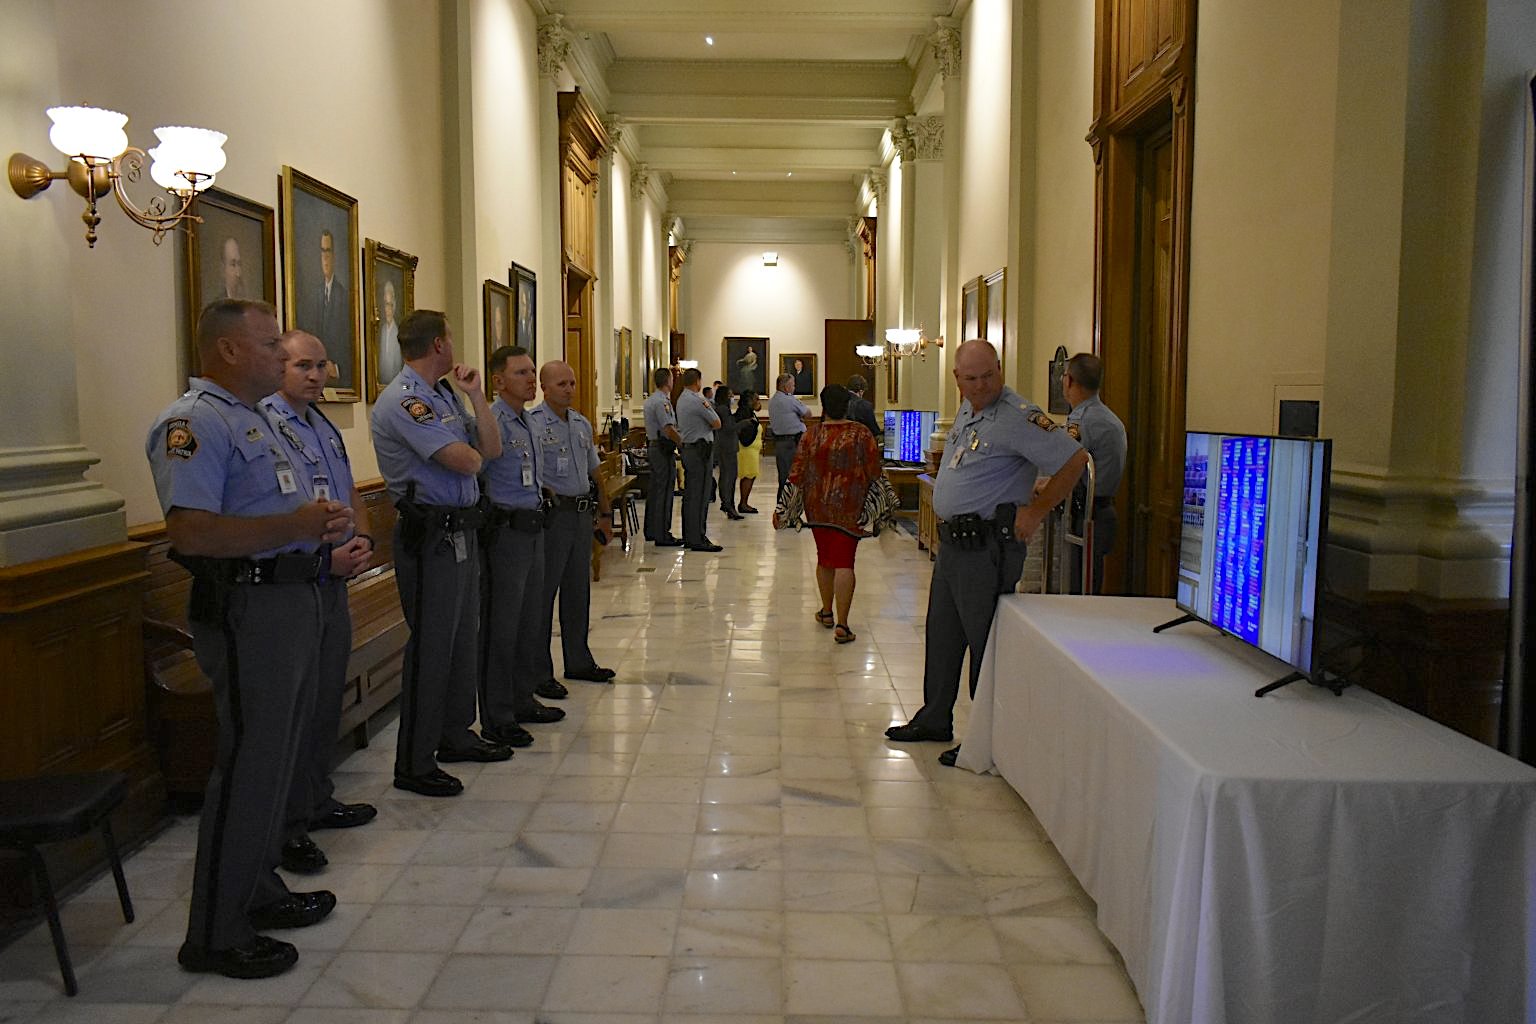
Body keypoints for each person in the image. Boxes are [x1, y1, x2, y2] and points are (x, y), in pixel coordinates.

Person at [147, 299, 349, 980]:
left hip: (292, 597)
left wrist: (315, 526)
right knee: (248, 763)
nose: (282, 358)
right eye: (270, 346)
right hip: (246, 607)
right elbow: (192, 530)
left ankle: (257, 890)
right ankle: (215, 932)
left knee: (278, 756)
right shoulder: (194, 424)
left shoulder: (257, 420)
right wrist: (293, 525)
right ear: (230, 351)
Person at [885, 340, 1088, 766]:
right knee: (942, 636)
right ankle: (934, 717)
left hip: (986, 548)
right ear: (957, 379)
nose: (981, 386)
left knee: (986, 645)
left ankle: (987, 738)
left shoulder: (1018, 416)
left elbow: (1074, 460)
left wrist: (1036, 511)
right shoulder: (968, 409)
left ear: (1000, 369)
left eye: (988, 376)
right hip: (953, 545)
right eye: (971, 379)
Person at [371, 309, 511, 799]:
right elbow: (466, 459)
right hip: (428, 537)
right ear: (438, 346)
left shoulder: (445, 395)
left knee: (461, 641)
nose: (455, 346)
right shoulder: (405, 402)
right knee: (432, 648)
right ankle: (415, 760)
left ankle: (455, 733)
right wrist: (468, 447)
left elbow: (491, 448)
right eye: (451, 337)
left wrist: (475, 395)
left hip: (461, 533)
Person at [258, 330, 379, 880]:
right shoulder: (265, 424)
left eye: (321, 365)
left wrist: (364, 540)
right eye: (302, 365)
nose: (315, 375)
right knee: (294, 709)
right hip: (292, 581)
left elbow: (348, 488)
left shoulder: (322, 423)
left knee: (326, 693)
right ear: (277, 367)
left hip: (331, 578)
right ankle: (285, 825)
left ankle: (315, 798)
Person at [478, 345, 560, 749]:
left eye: (532, 372)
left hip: (533, 527)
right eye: (521, 373)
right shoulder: (492, 421)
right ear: (497, 380)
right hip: (506, 533)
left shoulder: (525, 421)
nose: (530, 380)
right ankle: (498, 714)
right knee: (503, 625)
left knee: (531, 619)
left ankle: (523, 697)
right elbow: (481, 477)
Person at [775, 383, 884, 644]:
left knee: (825, 558)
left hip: (818, 506)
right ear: (847, 405)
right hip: (850, 505)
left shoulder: (812, 435)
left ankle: (826, 612)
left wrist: (782, 507)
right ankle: (843, 625)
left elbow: (796, 472)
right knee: (845, 560)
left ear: (824, 406)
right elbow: (874, 470)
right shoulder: (861, 434)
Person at [530, 360, 617, 688]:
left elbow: (594, 471)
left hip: (581, 513)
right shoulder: (535, 424)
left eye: (572, 383)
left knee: (578, 591)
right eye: (561, 384)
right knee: (545, 593)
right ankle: (540, 671)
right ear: (545, 388)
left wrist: (605, 512)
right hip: (554, 517)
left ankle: (579, 660)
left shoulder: (581, 424)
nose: (569, 389)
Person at [1060, 353, 1127, 594]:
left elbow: (1065, 463)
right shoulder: (1110, 418)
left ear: (1069, 381)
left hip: (1086, 515)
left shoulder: (1081, 419)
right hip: (1103, 511)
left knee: (1080, 589)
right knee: (1091, 585)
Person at [298, 229, 352, 388]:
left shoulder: (345, 296)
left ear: (334, 255)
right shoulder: (314, 295)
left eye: (328, 251)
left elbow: (349, 344)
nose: (326, 258)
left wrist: (336, 368)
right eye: (322, 252)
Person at [676, 367, 722, 551]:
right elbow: (717, 422)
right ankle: (698, 538)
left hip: (689, 449)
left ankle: (690, 535)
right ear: (698, 382)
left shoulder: (681, 399)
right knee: (700, 495)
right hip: (699, 451)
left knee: (690, 495)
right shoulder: (697, 400)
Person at [643, 366, 684, 545]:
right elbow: (668, 428)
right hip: (661, 448)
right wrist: (682, 443)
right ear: (668, 381)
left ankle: (652, 529)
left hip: (654, 446)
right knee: (664, 491)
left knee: (655, 491)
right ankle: (662, 533)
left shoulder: (651, 400)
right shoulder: (662, 402)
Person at [769, 371, 810, 502]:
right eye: (792, 385)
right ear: (786, 387)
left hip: (780, 443)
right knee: (794, 477)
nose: (794, 388)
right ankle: (790, 506)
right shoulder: (789, 400)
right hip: (792, 443)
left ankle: (782, 506)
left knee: (783, 477)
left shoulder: (773, 400)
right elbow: (808, 413)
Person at [714, 384, 747, 520]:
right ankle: (728, 504)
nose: (732, 398)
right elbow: (729, 427)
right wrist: (744, 423)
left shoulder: (721, 409)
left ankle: (726, 502)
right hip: (727, 447)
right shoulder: (723, 409)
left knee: (725, 475)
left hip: (723, 446)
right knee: (730, 476)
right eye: (730, 395)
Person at [735, 390, 762, 513]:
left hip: (752, 450)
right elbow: (745, 434)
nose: (758, 402)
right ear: (750, 401)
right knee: (748, 476)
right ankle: (743, 503)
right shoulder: (745, 413)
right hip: (747, 450)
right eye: (756, 399)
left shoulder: (750, 412)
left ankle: (744, 502)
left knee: (750, 476)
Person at [376, 279, 402, 387]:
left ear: (394, 306)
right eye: (386, 304)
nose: (388, 309)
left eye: (390, 305)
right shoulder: (381, 330)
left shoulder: (398, 333)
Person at [845, 374, 881, 439]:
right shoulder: (865, 405)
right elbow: (874, 431)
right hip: (859, 443)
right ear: (861, 391)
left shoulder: (839, 402)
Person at [216, 236, 244, 300]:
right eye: (233, 265)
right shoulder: (218, 306)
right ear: (223, 269)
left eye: (239, 264)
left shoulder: (246, 304)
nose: (238, 273)